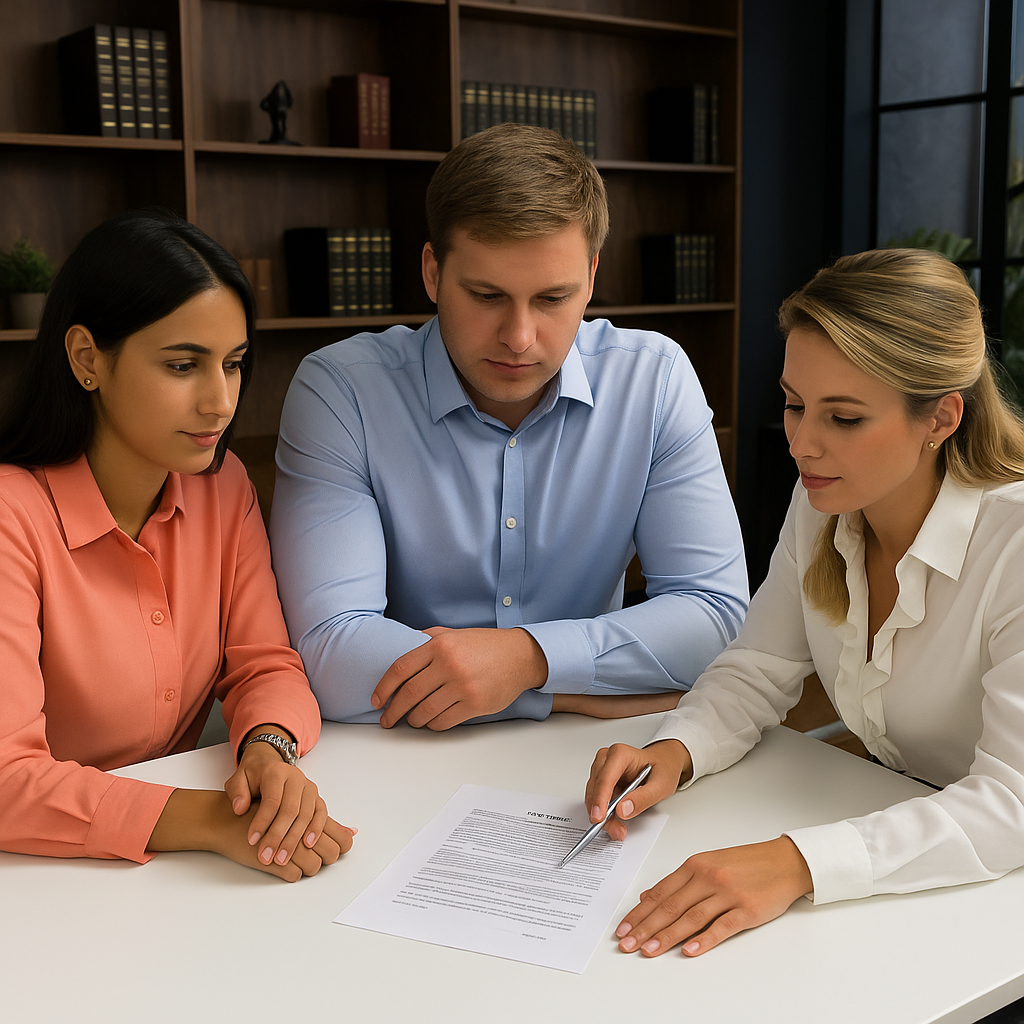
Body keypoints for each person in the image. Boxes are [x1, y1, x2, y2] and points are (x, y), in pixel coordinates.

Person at [585, 247, 1024, 958]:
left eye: (844, 418)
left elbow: (1013, 806)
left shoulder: (1016, 543)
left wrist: (794, 863)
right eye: (794, 405)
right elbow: (760, 664)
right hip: (928, 853)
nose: (802, 443)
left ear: (941, 418)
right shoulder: (825, 501)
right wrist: (675, 748)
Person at [269, 123, 748, 729]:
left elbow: (716, 617)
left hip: (586, 759)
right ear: (432, 272)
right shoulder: (341, 390)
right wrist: (553, 693)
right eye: (486, 295)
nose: (519, 338)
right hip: (405, 756)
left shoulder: (654, 380)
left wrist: (528, 659)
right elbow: (328, 654)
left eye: (552, 299)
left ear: (592, 278)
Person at [0, 209, 354, 881]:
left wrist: (268, 754)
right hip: (31, 881)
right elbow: (6, 779)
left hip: (157, 878)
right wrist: (210, 821)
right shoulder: (11, 516)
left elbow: (266, 665)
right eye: (183, 365)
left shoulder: (224, 490)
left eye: (234, 364)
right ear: (86, 360)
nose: (220, 402)